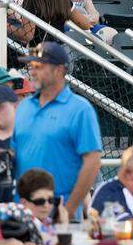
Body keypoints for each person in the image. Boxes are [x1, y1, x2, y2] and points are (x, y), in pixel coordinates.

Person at [13, 41, 101, 219]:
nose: (33, 72)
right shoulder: (23, 107)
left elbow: (92, 162)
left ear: (59, 70)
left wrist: (68, 210)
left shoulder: (80, 109)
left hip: (58, 211)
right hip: (22, 212)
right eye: (31, 67)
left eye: (39, 66)